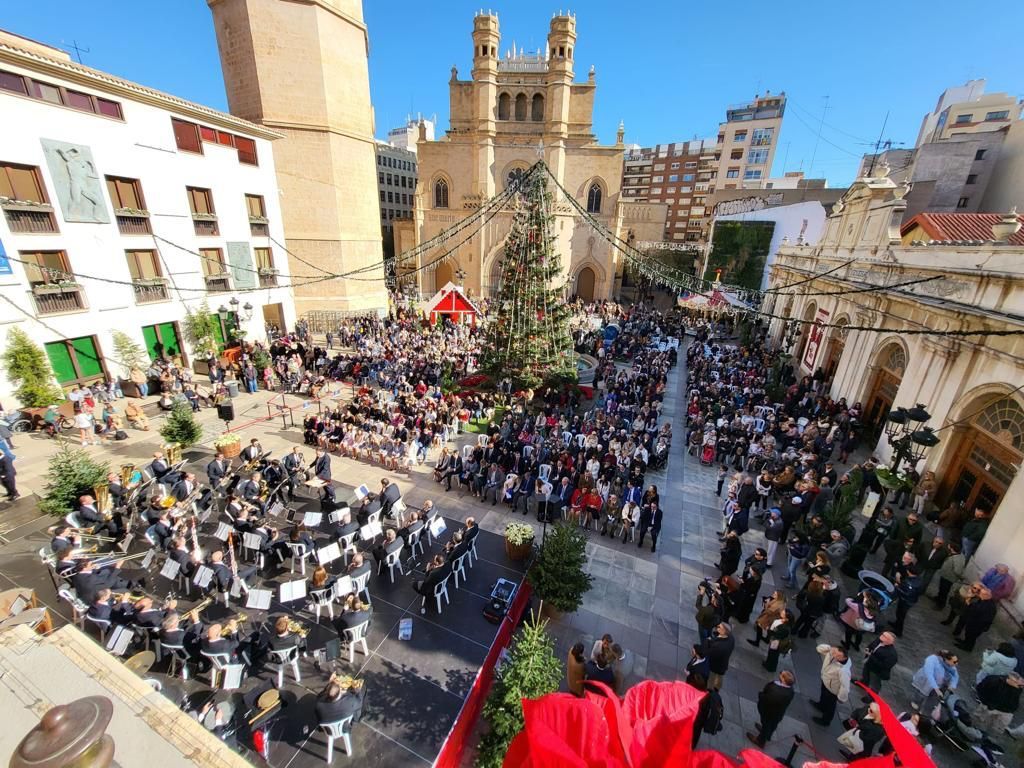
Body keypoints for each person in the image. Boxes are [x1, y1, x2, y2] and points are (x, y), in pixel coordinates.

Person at [747, 670, 795, 748]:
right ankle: (768, 735)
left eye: (782, 674)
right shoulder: (790, 690)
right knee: (771, 725)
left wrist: (761, 695)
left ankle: (760, 741)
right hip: (777, 714)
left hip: (769, 713)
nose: (780, 674)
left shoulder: (776, 691)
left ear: (783, 680)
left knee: (766, 725)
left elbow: (766, 699)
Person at [812, 644, 851, 727]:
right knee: (823, 696)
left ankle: (826, 721)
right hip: (825, 681)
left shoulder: (844, 671)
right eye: (834, 652)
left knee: (830, 706)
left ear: (844, 658)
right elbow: (818, 648)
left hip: (832, 690)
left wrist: (841, 698)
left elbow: (845, 687)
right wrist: (830, 648)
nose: (834, 655)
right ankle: (821, 706)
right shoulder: (832, 653)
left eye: (838, 655)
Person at [954, 585, 997, 652]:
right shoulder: (985, 600)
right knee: (968, 634)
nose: (979, 594)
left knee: (971, 637)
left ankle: (967, 647)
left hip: (977, 625)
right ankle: (965, 642)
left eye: (981, 594)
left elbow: (977, 610)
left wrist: (969, 604)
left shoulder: (988, 605)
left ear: (986, 595)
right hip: (974, 622)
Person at [933, 540, 966, 610]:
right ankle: (938, 598)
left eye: (949, 545)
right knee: (941, 589)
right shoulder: (953, 554)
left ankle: (940, 605)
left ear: (952, 548)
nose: (948, 546)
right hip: (945, 575)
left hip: (949, 578)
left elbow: (958, 571)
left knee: (944, 591)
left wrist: (961, 577)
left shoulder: (958, 558)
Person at [704, 622, 734, 691]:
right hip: (723, 664)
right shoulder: (731, 638)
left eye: (719, 627)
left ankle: (709, 691)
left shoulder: (719, 646)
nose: (717, 627)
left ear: (724, 631)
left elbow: (709, 653)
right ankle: (717, 688)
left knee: (711, 679)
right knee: (720, 676)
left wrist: (709, 641)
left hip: (715, 666)